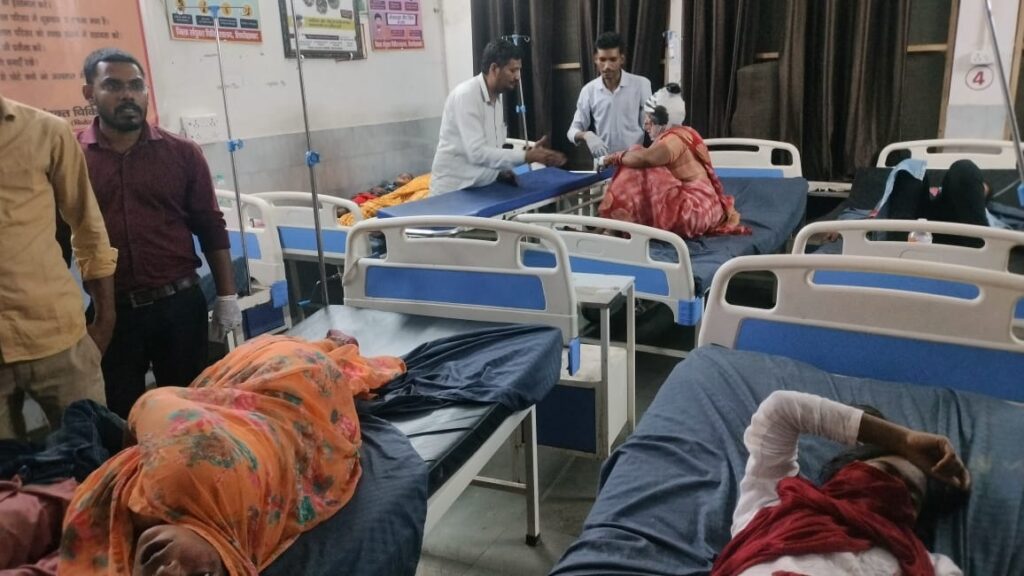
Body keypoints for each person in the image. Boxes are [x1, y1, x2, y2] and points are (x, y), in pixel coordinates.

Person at [59, 332, 406, 575]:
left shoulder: (200, 527)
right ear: (235, 562)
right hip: (293, 384)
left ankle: (334, 349)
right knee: (285, 363)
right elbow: (150, 402)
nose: (168, 572)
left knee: (318, 371)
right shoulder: (184, 479)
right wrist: (135, 445)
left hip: (289, 414)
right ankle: (332, 347)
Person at [77, 48, 241, 418]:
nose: (127, 95)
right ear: (89, 94)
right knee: (119, 415)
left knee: (190, 411)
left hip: (178, 306)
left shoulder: (182, 153)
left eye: (136, 85)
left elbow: (210, 224)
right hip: (110, 313)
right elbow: (56, 235)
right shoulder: (73, 157)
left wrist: (227, 296)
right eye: (113, 86)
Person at [711, 390, 971, 576]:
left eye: (911, 497)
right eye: (885, 473)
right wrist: (903, 440)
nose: (894, 491)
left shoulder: (928, 564)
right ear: (846, 470)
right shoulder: (773, 501)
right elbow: (781, 410)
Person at [0, 95, 118, 440]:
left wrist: (105, 320)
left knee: (91, 454)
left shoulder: (46, 131)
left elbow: (87, 226)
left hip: (57, 337)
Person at [598, 83, 749, 238]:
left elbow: (646, 159)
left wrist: (613, 157)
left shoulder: (674, 139)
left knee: (637, 157)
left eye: (649, 118)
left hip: (696, 212)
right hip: (707, 208)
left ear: (662, 118)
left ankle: (611, 227)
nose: (645, 124)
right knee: (636, 157)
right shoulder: (686, 132)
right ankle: (613, 225)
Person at [430, 39, 566, 196]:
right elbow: (477, 153)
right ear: (494, 68)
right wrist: (526, 156)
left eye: (519, 70)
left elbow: (492, 148)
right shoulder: (466, 96)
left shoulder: (496, 100)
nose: (518, 77)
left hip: (482, 187)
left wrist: (501, 172)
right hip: (454, 191)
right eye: (512, 70)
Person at [567, 31, 652, 159]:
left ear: (621, 59)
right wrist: (587, 135)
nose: (606, 66)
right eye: (602, 60)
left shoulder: (641, 84)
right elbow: (572, 131)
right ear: (596, 59)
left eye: (612, 59)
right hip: (604, 161)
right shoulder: (589, 90)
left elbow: (651, 125)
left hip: (633, 160)